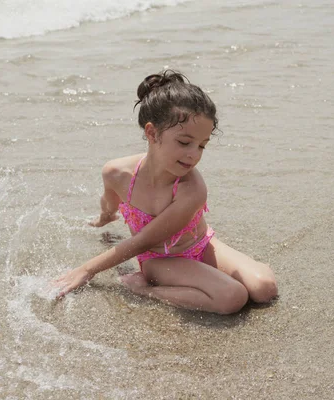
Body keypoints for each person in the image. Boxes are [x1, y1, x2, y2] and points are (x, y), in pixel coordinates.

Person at [54, 70, 278, 314]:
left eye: (202, 145)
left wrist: (87, 268)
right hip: (159, 259)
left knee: (265, 289)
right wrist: (102, 221)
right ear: (152, 133)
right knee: (232, 297)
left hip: (201, 245)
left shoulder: (192, 189)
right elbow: (117, 214)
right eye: (184, 142)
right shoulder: (116, 173)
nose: (194, 154)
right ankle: (144, 289)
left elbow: (141, 238)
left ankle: (228, 276)